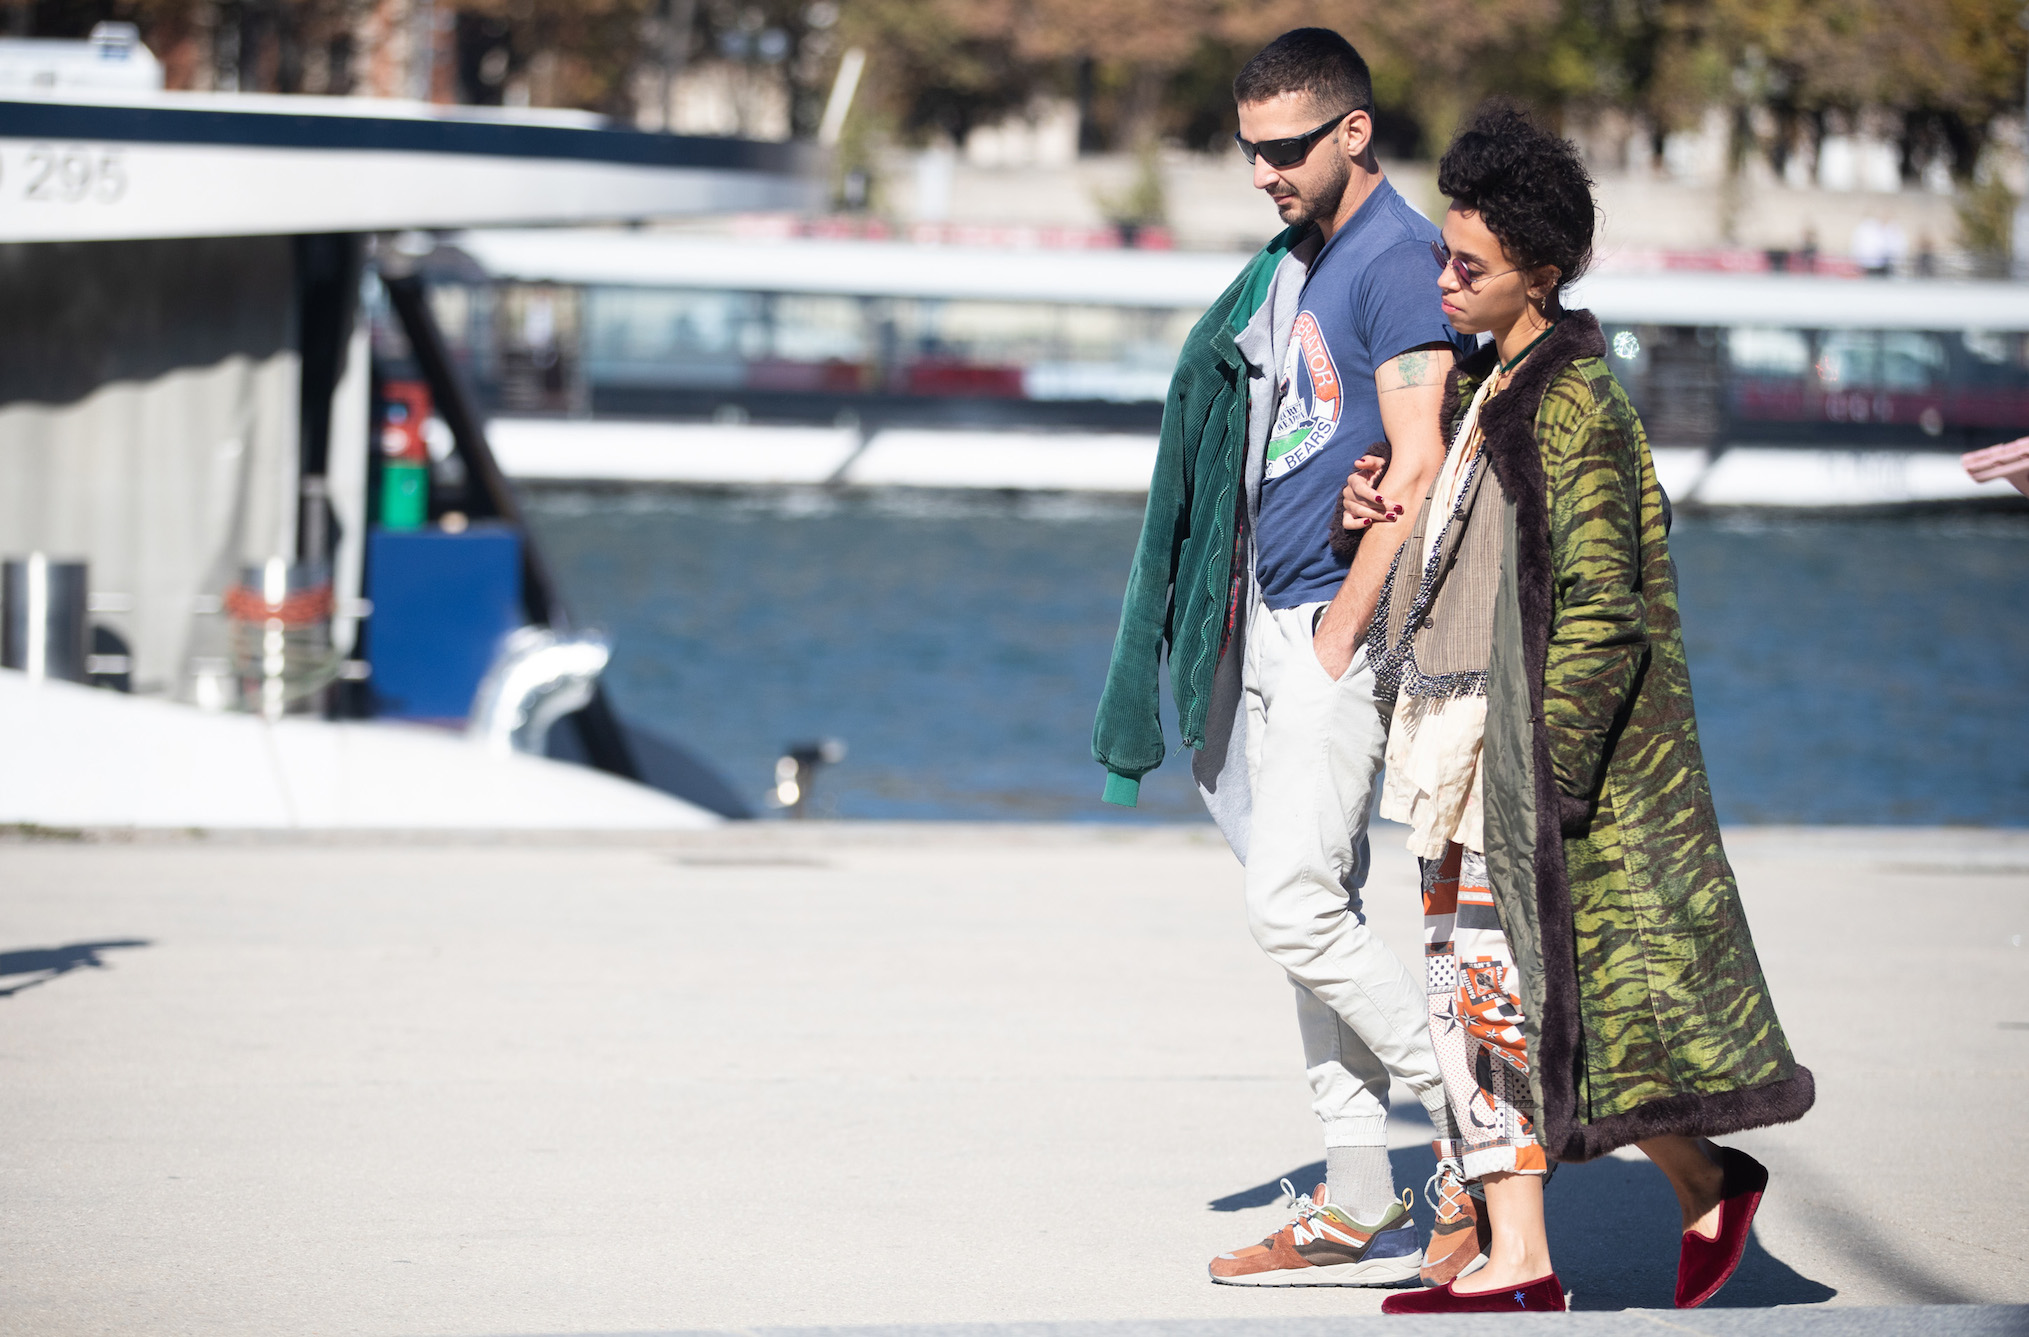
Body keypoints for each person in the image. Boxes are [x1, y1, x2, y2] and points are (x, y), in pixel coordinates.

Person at [1344, 103, 1815, 1315]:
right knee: (1470, 1000)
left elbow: (1605, 606)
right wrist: (1376, 508)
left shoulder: (1578, 402)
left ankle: (1533, 1255)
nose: (1443, 281)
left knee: (1508, 1000)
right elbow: (1462, 544)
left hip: (1515, 756)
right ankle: (1647, 1203)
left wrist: (1545, 784)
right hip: (1452, 740)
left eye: (1469, 266)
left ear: (1538, 274)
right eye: (1444, 256)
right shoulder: (1492, 381)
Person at [1091, 28, 1485, 1287]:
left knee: (1292, 906)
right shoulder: (1305, 262)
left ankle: (1489, 1123)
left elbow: (1417, 463)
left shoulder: (1397, 264)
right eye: (1249, 149)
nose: (1261, 171)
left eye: (1285, 148)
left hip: (1334, 625)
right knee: (1317, 900)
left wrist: (1340, 623)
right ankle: (1357, 1188)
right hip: (1269, 613)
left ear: (1353, 132)